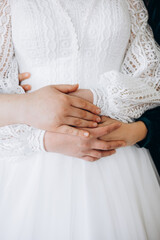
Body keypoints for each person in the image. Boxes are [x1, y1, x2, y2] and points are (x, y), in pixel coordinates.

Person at [0, 0, 160, 239]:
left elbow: (153, 79)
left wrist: (96, 97)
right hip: (31, 161)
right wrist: (44, 139)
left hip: (117, 153)